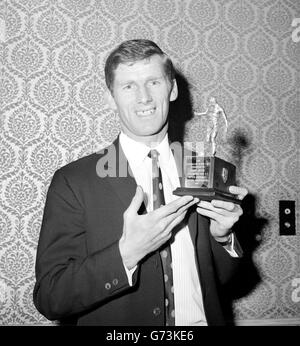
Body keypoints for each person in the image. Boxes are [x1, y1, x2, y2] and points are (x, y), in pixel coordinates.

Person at [33, 39, 247, 326]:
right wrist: (126, 254)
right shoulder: (73, 181)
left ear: (172, 90)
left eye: (154, 82)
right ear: (111, 97)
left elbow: (221, 281)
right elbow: (50, 296)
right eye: (128, 86)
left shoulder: (200, 169)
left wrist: (223, 238)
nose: (144, 97)